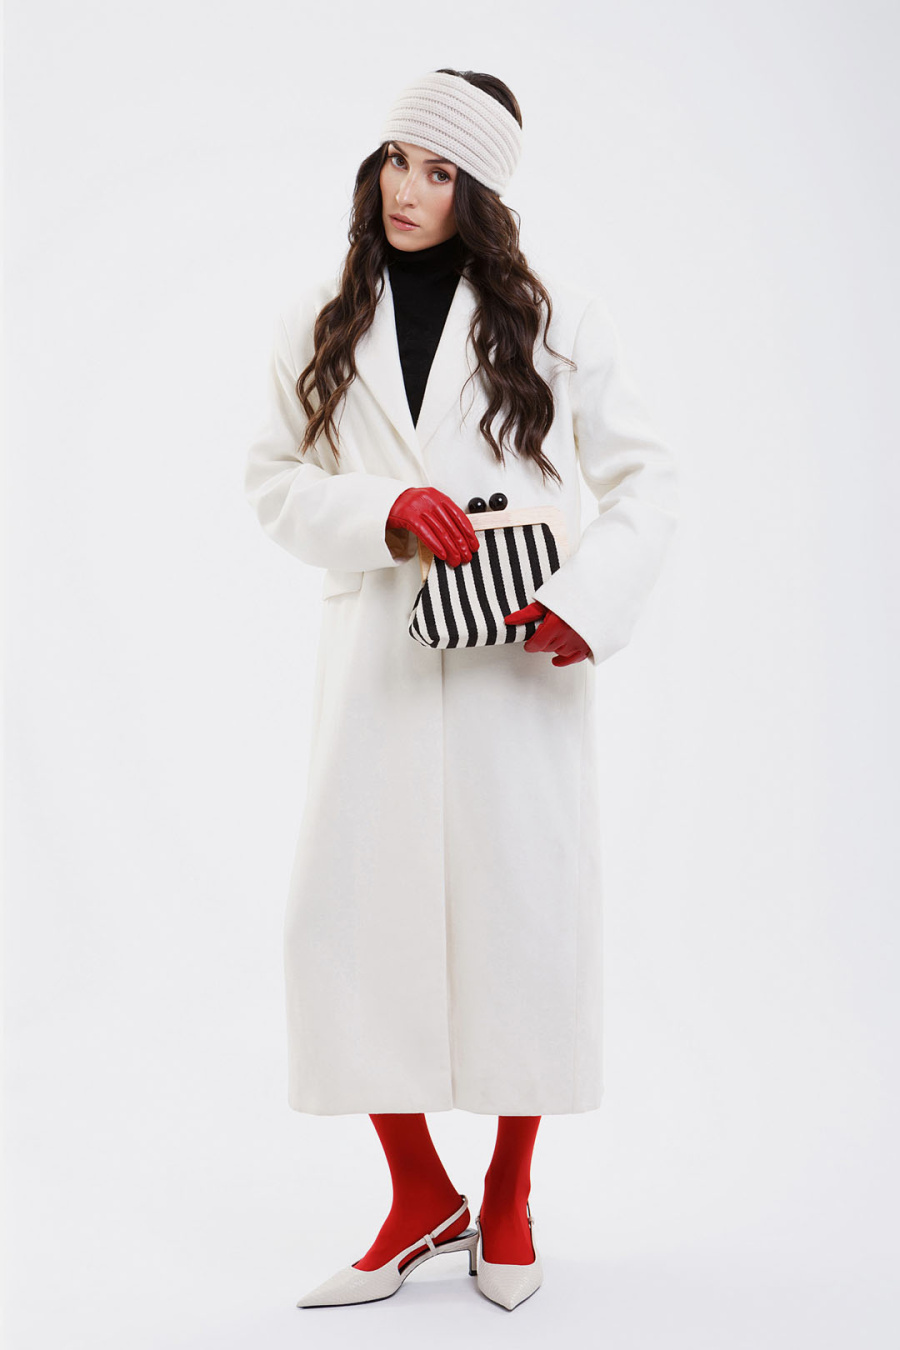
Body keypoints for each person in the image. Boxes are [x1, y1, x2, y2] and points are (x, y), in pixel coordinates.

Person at [244, 68, 679, 1311]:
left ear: (477, 190)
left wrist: (589, 602)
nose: (408, 189)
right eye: (397, 160)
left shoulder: (558, 321)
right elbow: (271, 480)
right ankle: (417, 1195)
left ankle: (508, 1192)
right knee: (341, 925)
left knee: (521, 920)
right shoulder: (320, 318)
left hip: (516, 663)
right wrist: (383, 510)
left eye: (439, 172)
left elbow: (648, 480)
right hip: (377, 660)